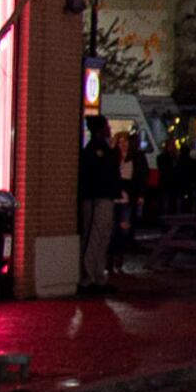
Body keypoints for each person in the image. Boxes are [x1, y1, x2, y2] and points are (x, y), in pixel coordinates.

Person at [76, 117, 122, 294]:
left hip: (105, 198)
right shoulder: (94, 150)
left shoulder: (103, 149)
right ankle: (89, 278)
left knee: (102, 237)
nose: (109, 129)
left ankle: (98, 276)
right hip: (97, 199)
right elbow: (100, 174)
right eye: (106, 126)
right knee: (94, 237)